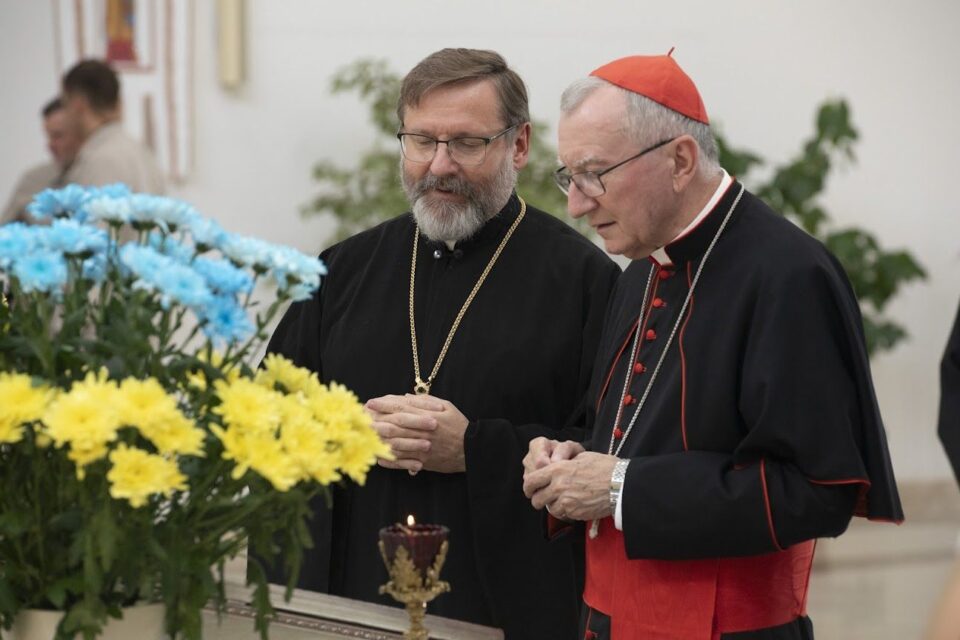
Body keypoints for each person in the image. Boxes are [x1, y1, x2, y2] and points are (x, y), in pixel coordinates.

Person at [522, 52, 903, 639]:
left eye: (596, 173)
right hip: (607, 617)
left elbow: (815, 491)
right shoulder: (639, 270)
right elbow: (623, 435)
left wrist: (622, 486)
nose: (576, 203)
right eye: (569, 176)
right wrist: (569, 459)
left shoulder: (788, 274)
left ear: (679, 159)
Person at [262, 48, 620, 639]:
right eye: (421, 141)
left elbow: (608, 450)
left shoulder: (586, 283)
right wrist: (348, 431)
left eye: (466, 143)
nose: (439, 165)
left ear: (520, 145)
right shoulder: (343, 271)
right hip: (350, 605)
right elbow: (265, 413)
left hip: (505, 608)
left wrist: (475, 449)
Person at [59, 59, 165, 194]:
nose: (65, 115)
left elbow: (98, 214)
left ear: (78, 104)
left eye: (65, 104)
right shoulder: (140, 152)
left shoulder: (101, 160)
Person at [2, 97, 82, 224]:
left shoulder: (98, 175)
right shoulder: (34, 180)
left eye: (58, 136)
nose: (50, 145)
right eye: (49, 137)